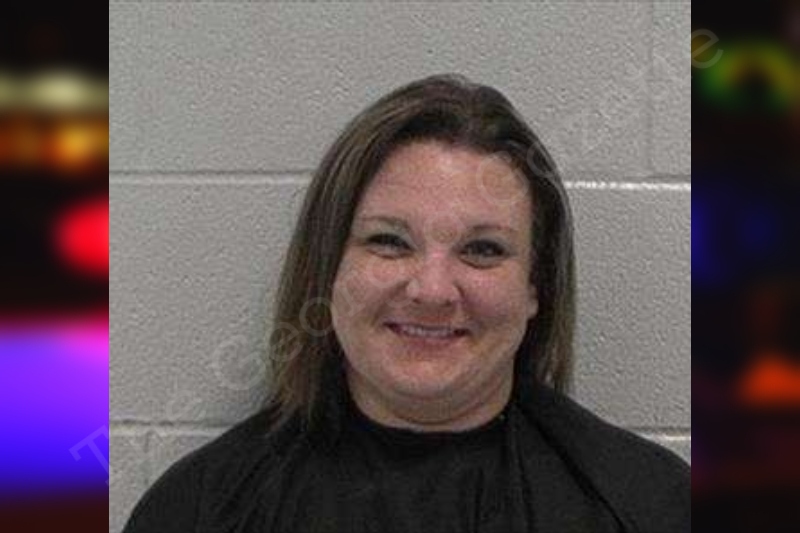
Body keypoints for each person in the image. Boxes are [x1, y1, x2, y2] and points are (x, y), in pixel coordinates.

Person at [122, 74, 689, 533]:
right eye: (389, 242)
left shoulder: (651, 507)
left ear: (534, 288)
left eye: (483, 250)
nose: (432, 290)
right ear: (329, 267)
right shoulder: (200, 510)